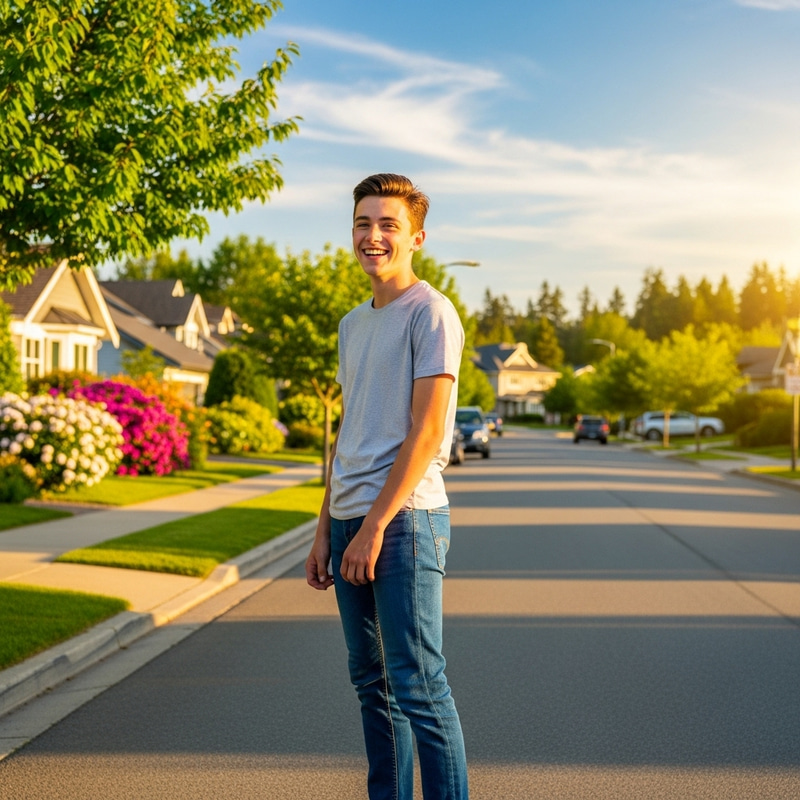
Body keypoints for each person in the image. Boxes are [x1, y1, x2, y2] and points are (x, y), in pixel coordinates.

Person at [305, 173, 469, 799]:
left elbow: (427, 434)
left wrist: (371, 527)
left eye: (387, 225)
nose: (372, 236)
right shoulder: (353, 324)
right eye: (362, 224)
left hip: (403, 521)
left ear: (416, 237)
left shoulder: (431, 312)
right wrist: (325, 529)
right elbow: (350, 432)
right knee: (372, 685)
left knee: (419, 685)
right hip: (351, 521)